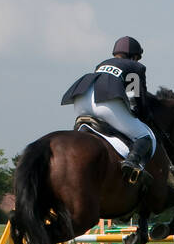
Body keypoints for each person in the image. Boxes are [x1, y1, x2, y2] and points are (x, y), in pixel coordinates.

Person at [62, 36, 158, 183]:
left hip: (81, 100)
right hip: (105, 103)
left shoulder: (102, 64)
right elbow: (136, 98)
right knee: (144, 136)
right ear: (134, 57)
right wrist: (145, 115)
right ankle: (132, 162)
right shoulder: (135, 67)